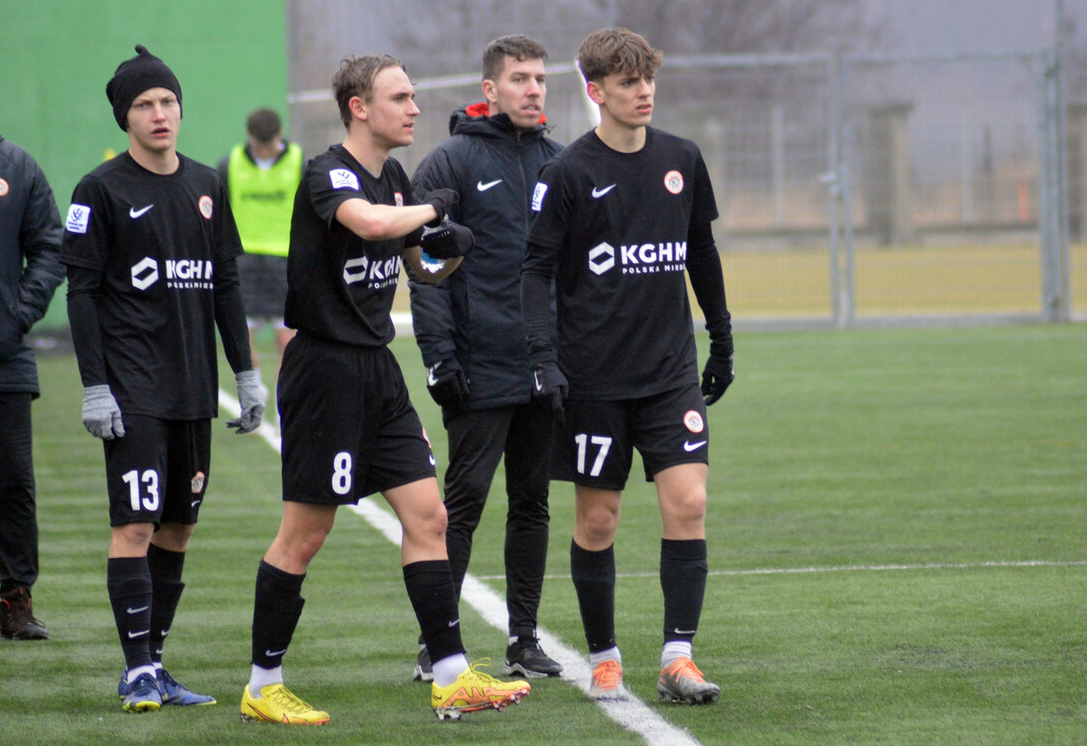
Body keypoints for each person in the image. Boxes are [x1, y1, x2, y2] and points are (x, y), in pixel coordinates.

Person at [238, 53, 529, 726]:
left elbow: (419, 269)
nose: (414, 108)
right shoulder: (328, 172)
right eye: (399, 97)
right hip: (323, 371)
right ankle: (262, 684)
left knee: (429, 516)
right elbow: (368, 224)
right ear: (359, 107)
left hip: (376, 368)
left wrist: (448, 246)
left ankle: (452, 675)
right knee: (305, 535)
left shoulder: (395, 176)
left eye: (414, 96)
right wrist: (434, 208)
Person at [521, 28, 735, 706]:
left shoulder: (681, 158)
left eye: (648, 80)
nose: (642, 92)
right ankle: (605, 658)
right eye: (626, 83)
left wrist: (722, 339)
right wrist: (543, 358)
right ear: (596, 91)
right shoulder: (569, 173)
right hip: (593, 379)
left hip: (670, 372)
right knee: (599, 522)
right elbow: (536, 268)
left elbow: (701, 251)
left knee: (690, 502)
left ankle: (679, 657)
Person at [61, 45, 265, 713]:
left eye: (168, 103)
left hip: (192, 390)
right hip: (132, 390)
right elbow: (82, 293)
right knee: (137, 526)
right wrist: (96, 385)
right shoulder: (99, 190)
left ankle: (154, 664)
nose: (159, 114)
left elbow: (226, 284)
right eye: (145, 105)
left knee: (178, 528)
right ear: (126, 117)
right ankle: (138, 671)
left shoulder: (206, 184)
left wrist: (247, 374)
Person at [408, 34, 563, 682]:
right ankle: (437, 648)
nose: (533, 89)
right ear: (490, 89)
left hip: (544, 369)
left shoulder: (561, 162)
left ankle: (523, 641)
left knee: (532, 502)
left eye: (540, 79)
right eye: (520, 78)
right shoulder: (451, 162)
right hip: (479, 364)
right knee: (462, 503)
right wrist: (440, 357)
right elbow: (423, 265)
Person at [0, 121, 65, 641]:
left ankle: (16, 602)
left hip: (3, 362)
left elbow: (50, 247)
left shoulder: (15, 165)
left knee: (13, 485)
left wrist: (19, 313)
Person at [217, 108, 302, 387]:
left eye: (269, 145)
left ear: (281, 134)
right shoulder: (230, 165)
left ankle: (282, 404)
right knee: (242, 338)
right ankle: (253, 390)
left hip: (284, 261)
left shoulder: (299, 163)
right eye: (258, 146)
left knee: (286, 342)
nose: (264, 151)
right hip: (244, 262)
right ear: (248, 137)